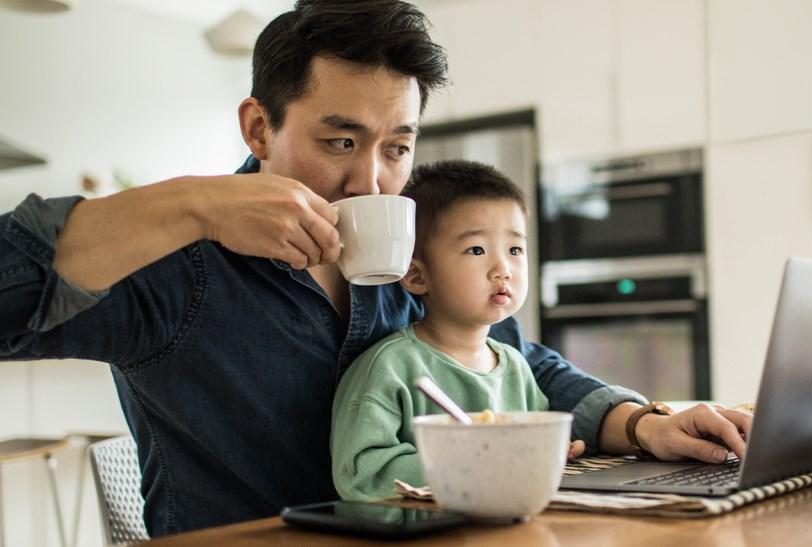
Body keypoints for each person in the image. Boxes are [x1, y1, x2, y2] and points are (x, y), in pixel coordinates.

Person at [0, 0, 750, 537]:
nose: (372, 184)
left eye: (396, 147)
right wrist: (198, 203)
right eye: (339, 142)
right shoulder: (178, 267)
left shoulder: (411, 257)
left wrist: (642, 422)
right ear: (259, 127)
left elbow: (516, 365)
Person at [332, 160, 584, 501]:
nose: (503, 269)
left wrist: (549, 452)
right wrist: (476, 462)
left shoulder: (516, 367)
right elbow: (363, 476)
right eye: (476, 249)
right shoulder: (390, 367)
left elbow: (523, 452)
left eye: (515, 250)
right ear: (418, 276)